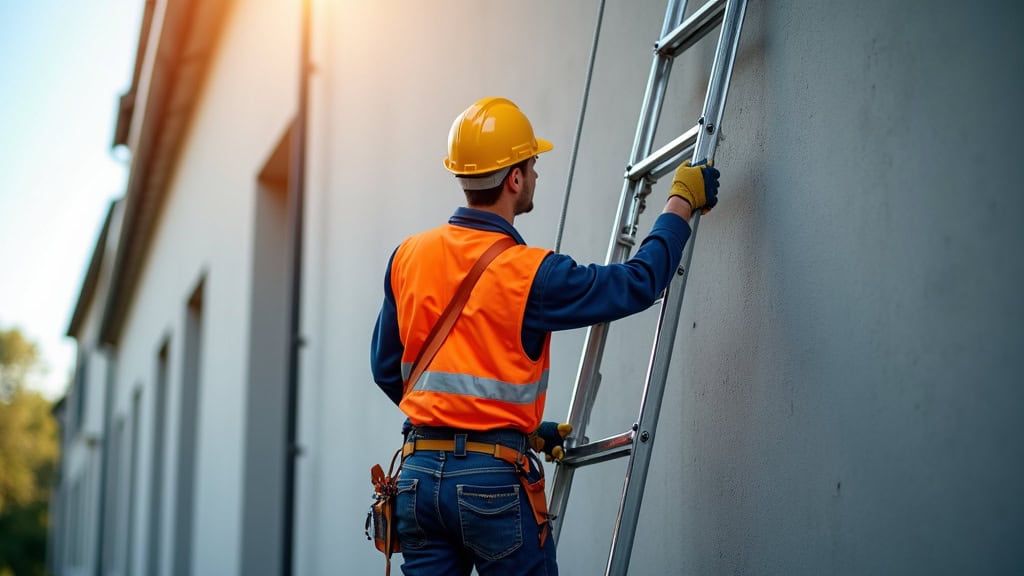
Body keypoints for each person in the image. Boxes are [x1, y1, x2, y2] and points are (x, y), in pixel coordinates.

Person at [370, 96, 719, 575]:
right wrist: (679, 204)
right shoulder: (531, 272)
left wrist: (515, 428)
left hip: (416, 481)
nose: (536, 174)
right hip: (490, 483)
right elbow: (637, 283)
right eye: (533, 164)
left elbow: (388, 372)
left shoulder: (406, 256)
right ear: (514, 178)